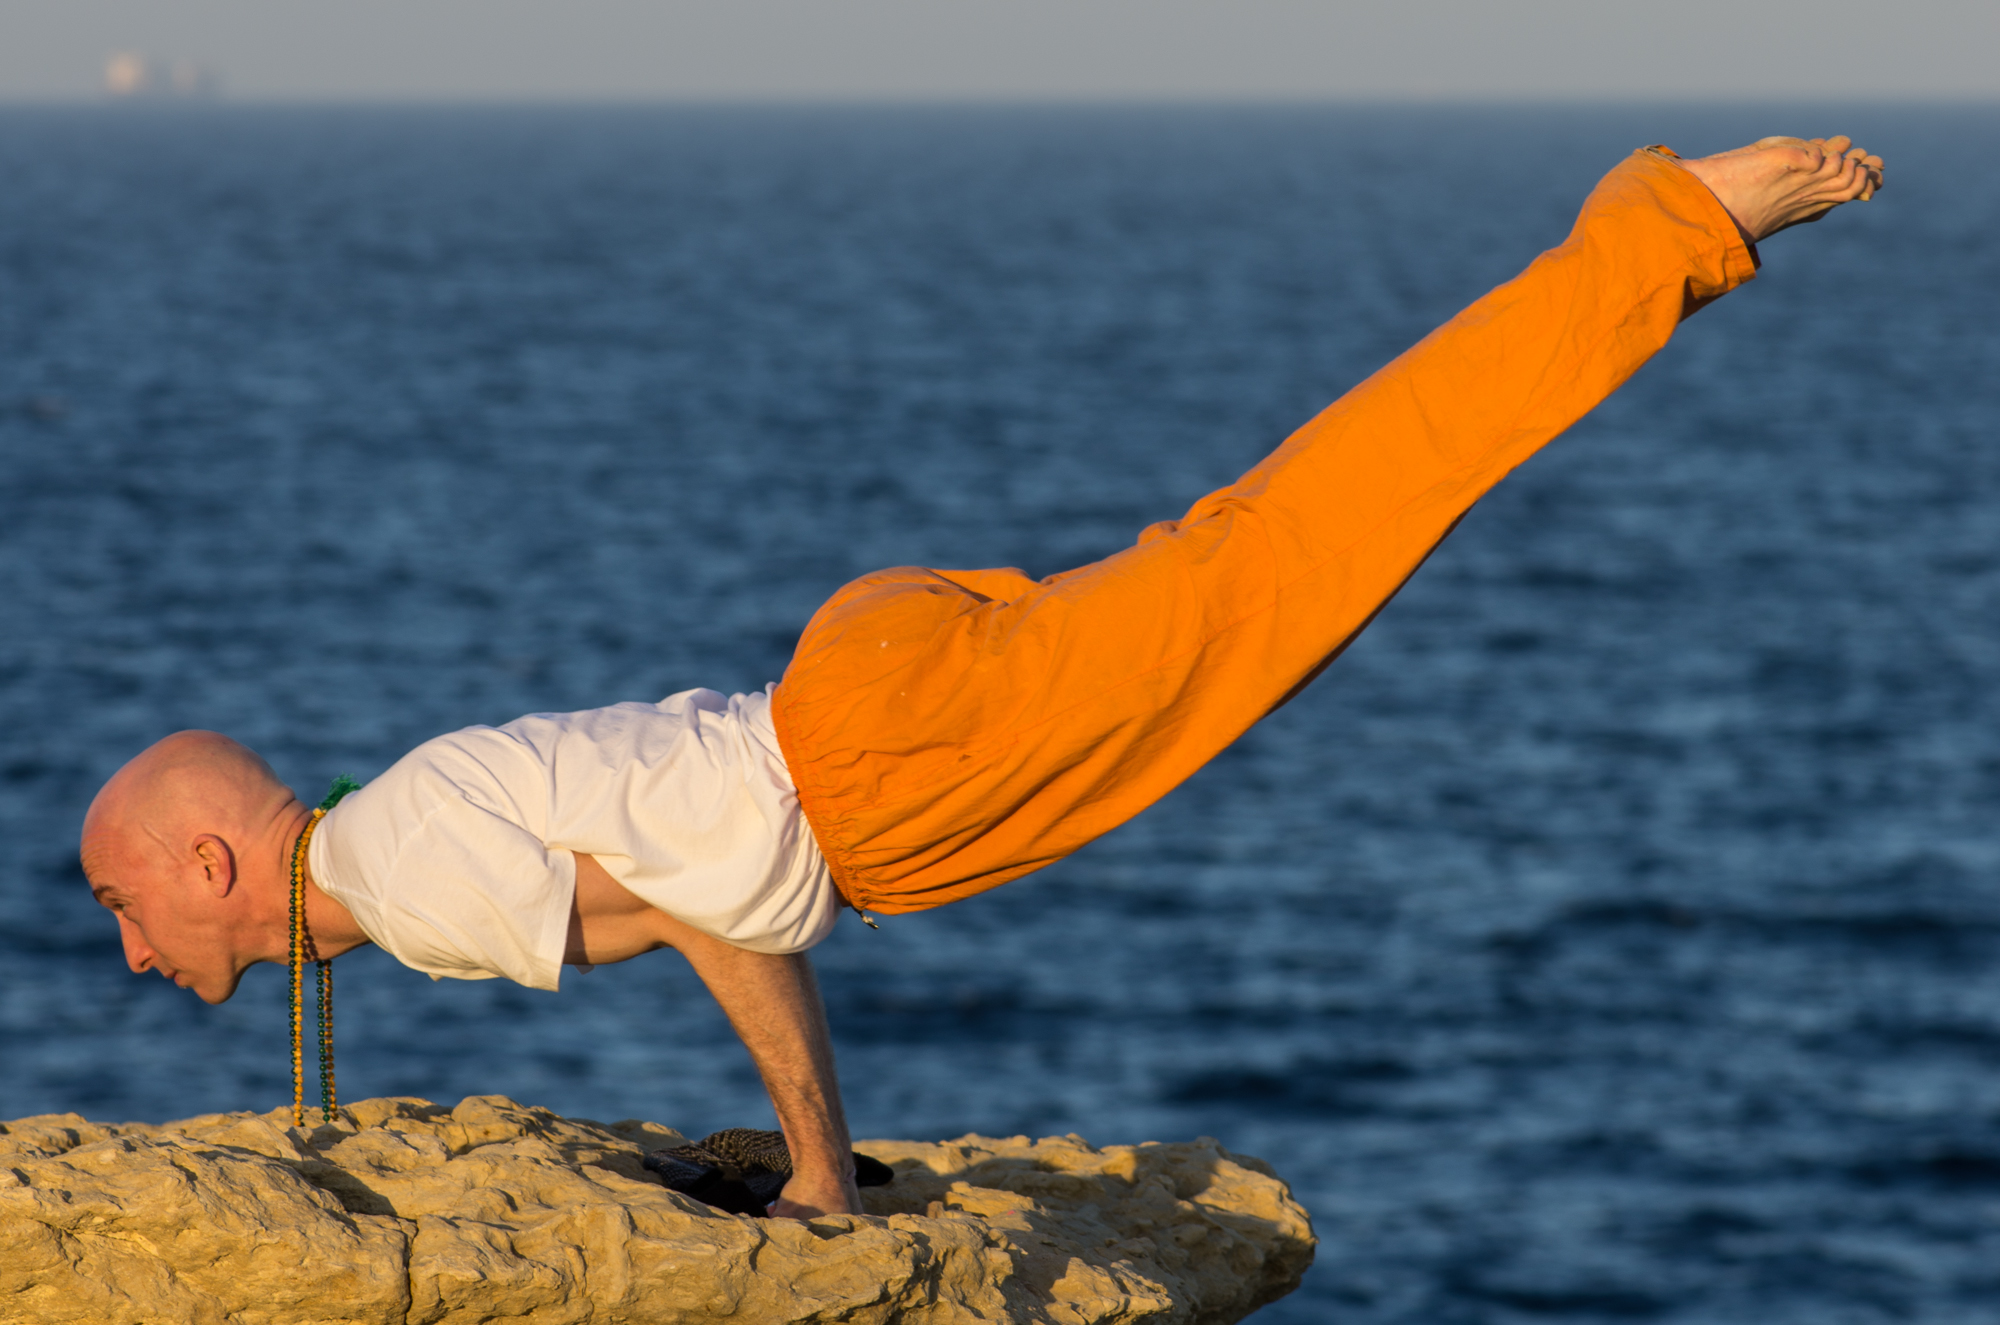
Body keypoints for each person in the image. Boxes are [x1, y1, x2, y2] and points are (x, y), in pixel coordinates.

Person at [79, 135, 1884, 1220]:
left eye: (122, 899)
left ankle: (1669, 230)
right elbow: (705, 876)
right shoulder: (392, 845)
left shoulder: (398, 872)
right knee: (1290, 590)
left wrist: (820, 1168)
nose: (127, 944)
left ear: (216, 861)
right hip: (868, 697)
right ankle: (1657, 249)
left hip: (889, 759)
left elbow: (719, 908)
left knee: (1305, 545)